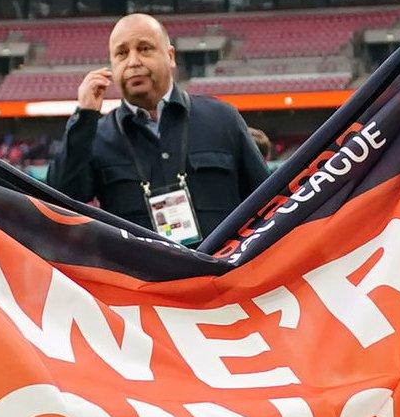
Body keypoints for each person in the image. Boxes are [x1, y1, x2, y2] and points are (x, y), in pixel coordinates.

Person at [49, 13, 269, 244]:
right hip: (142, 277)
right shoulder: (95, 135)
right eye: (121, 53)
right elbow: (58, 202)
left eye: (144, 49)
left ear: (170, 56)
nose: (133, 62)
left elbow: (269, 204)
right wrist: (84, 117)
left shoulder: (222, 118)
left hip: (221, 274)